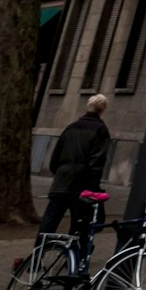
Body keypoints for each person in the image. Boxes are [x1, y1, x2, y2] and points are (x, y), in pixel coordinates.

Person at [39, 95, 110, 239]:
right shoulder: (101, 130)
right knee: (80, 224)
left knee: (50, 220)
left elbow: (55, 156)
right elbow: (96, 162)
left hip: (62, 180)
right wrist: (93, 187)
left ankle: (39, 250)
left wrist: (60, 173)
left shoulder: (71, 127)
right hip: (82, 184)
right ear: (102, 110)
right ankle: (74, 251)